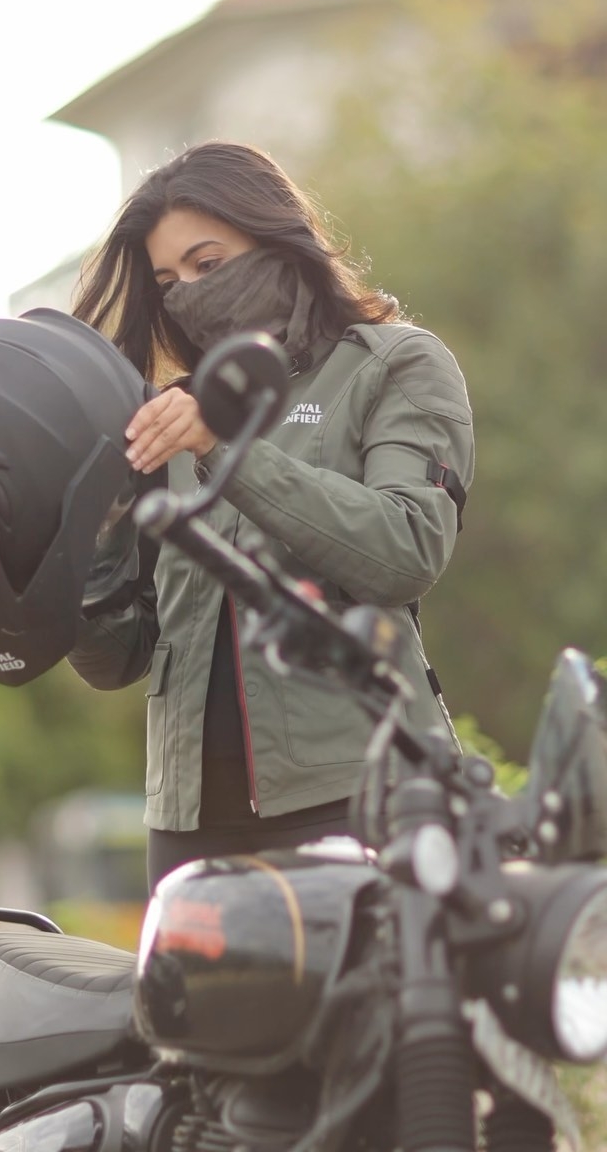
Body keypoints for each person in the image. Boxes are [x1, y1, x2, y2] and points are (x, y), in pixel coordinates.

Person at [68, 140, 475, 890]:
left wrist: (229, 445)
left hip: (361, 795)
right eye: (168, 281)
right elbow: (117, 659)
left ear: (277, 241)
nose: (187, 293)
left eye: (208, 264)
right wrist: (86, 537)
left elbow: (405, 547)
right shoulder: (168, 417)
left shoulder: (392, 364)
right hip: (188, 823)